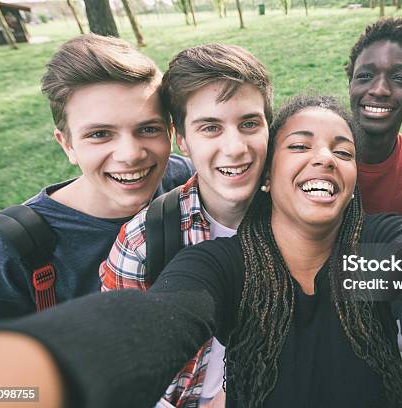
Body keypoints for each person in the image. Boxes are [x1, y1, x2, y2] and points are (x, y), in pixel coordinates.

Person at [0, 96, 402, 407]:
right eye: (300, 145)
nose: (324, 158)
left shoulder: (379, 245)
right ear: (269, 176)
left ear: (351, 181)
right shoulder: (221, 266)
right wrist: (35, 374)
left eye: (342, 152)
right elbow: (161, 317)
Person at [0, 34, 193, 325]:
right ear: (67, 145)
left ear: (170, 131)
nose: (130, 155)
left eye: (148, 129)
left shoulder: (184, 178)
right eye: (100, 134)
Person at [99, 43, 272, 408]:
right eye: (210, 127)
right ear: (182, 140)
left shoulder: (299, 217)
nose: (236, 147)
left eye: (250, 123)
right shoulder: (143, 242)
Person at [346, 17, 402, 215]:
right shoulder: (316, 157)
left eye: (400, 78)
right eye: (365, 76)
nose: (380, 90)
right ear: (350, 84)